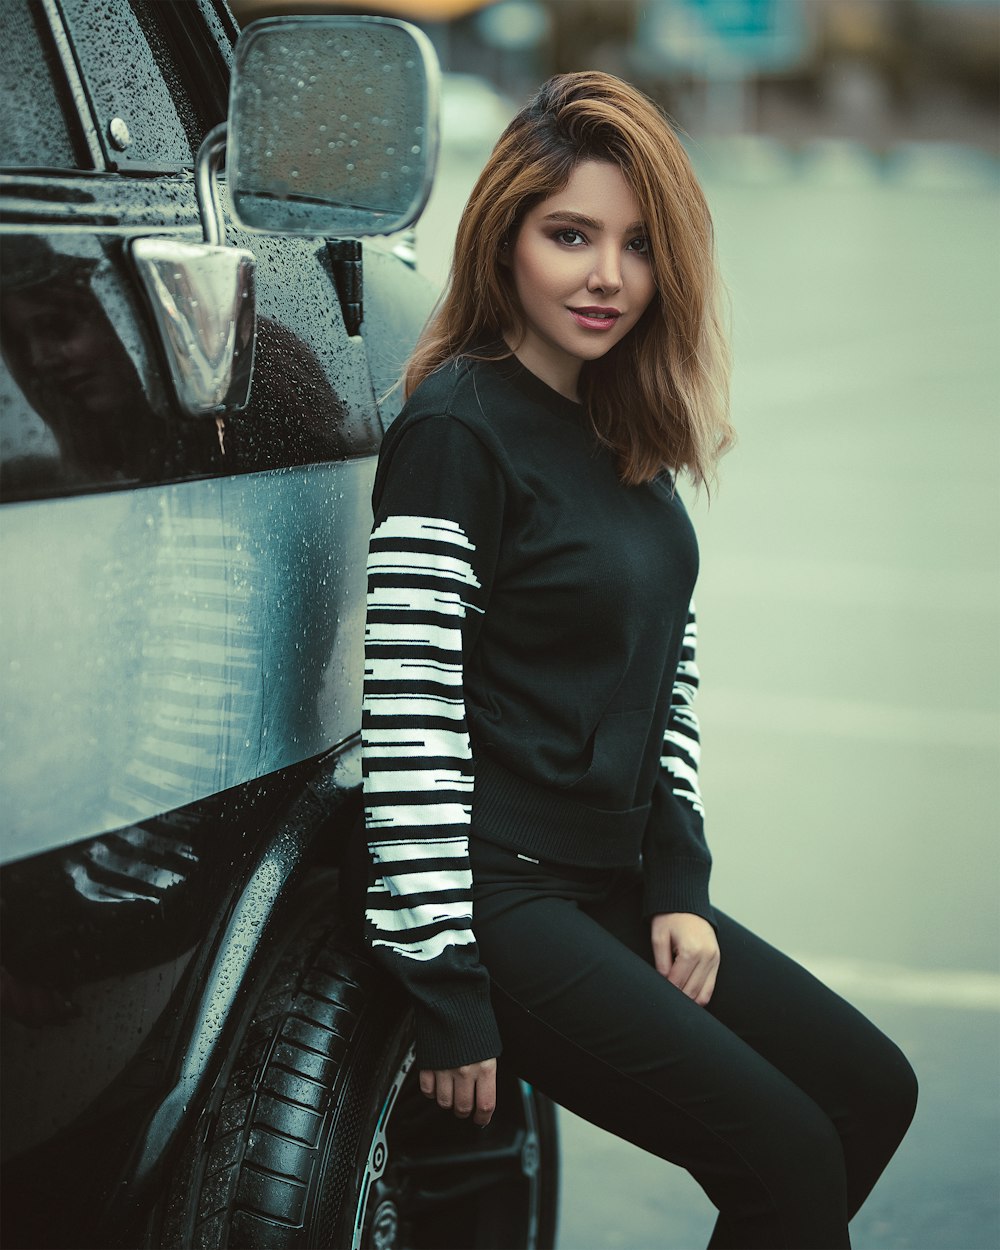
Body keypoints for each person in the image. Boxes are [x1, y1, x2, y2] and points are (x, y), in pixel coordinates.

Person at [359, 71, 916, 1249]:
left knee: (868, 1093)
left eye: (637, 245)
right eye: (570, 236)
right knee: (785, 1152)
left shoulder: (622, 432)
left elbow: (666, 673)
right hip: (499, 899)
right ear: (504, 232)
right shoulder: (455, 429)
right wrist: (447, 986)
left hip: (609, 880)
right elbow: (404, 715)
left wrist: (677, 881)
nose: (606, 276)